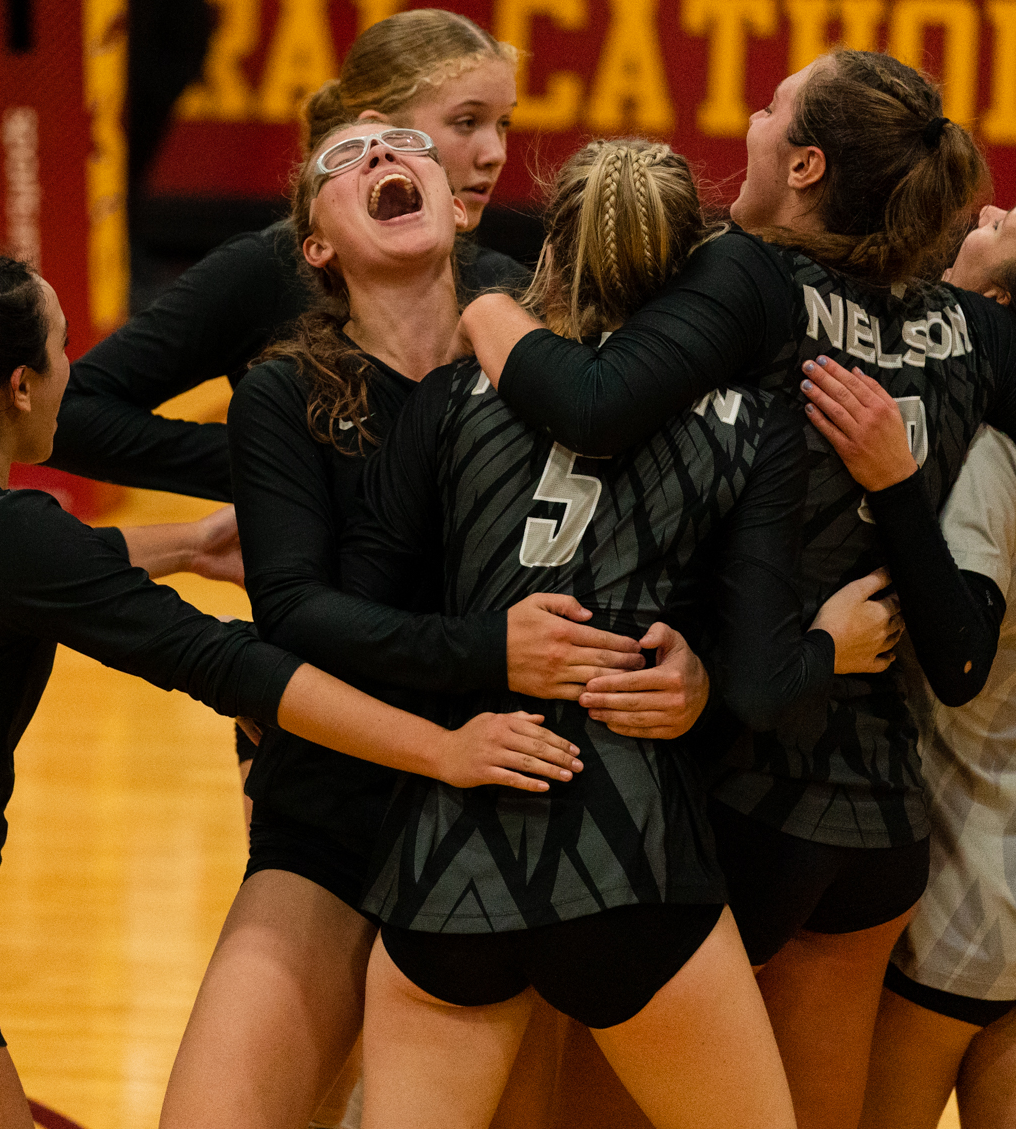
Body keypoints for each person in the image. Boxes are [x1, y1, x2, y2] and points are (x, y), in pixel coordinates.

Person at [456, 51, 1016, 1129]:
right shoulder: (971, 328)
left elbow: (594, 403)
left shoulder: (754, 281)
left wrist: (476, 298)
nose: (748, 123)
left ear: (804, 165)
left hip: (743, 786)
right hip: (880, 829)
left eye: (768, 110)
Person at [0, 255, 577, 1129]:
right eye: (68, 347)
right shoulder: (10, 531)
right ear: (20, 387)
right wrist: (444, 748)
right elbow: (227, 665)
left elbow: (13, 577)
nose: (80, 370)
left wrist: (181, 545)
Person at [315, 132, 904, 1129]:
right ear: (694, 273)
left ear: (551, 250)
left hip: (452, 863)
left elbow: (362, 623)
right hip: (630, 861)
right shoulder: (749, 423)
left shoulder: (452, 399)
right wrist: (709, 677)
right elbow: (760, 672)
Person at [158, 125, 656, 1129]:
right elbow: (294, 610)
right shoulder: (281, 390)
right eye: (347, 159)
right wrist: (486, 652)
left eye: (407, 146)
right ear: (315, 248)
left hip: (520, 814)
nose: (384, 158)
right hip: (341, 805)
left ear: (462, 207)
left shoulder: (558, 374)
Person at [45, 6, 531, 817]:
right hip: (316, 684)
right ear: (379, 132)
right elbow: (74, 408)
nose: (493, 153)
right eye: (466, 122)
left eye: (504, 124)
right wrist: (282, 477)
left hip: (474, 681)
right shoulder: (268, 268)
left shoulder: (511, 285)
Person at [794, 198, 1016, 1129]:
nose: (984, 211)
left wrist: (893, 485)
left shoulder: (986, 452)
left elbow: (964, 655)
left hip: (956, 895)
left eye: (1006, 225)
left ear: (997, 297)